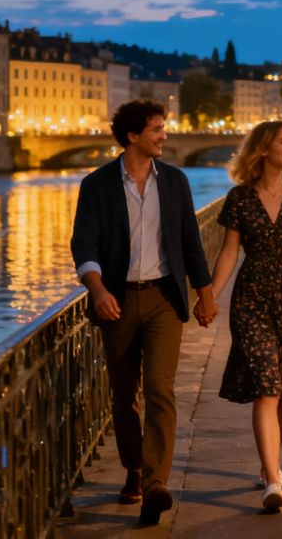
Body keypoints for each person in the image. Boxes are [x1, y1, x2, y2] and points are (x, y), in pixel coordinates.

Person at [69, 99, 215, 525]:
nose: (164, 135)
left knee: (160, 389)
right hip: (115, 300)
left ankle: (155, 483)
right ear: (133, 136)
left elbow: (190, 241)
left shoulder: (174, 181)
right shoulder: (97, 185)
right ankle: (134, 467)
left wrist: (204, 293)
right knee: (123, 396)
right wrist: (96, 289)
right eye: (156, 129)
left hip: (164, 298)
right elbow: (84, 244)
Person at [201, 121, 282, 512]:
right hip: (252, 298)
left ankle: (268, 463)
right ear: (263, 149)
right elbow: (228, 253)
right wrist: (209, 297)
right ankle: (273, 480)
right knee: (267, 385)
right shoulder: (239, 198)